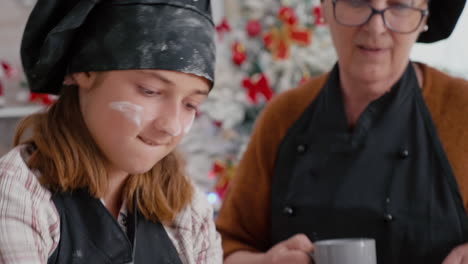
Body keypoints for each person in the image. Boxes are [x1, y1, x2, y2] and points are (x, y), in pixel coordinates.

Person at [216, 0, 468, 263]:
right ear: (325, 8)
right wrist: (266, 262)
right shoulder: (282, 115)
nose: (376, 26)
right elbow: (223, 249)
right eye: (357, 1)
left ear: (424, 17)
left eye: (400, 5)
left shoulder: (462, 110)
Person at [0, 0, 221, 263]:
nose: (171, 126)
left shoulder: (188, 209)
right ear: (85, 71)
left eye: (191, 105)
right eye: (150, 91)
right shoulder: (18, 195)